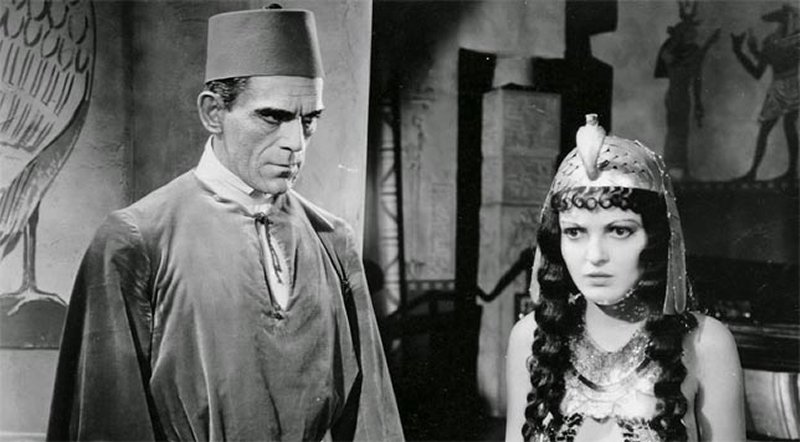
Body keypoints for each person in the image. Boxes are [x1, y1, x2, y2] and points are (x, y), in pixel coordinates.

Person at [46, 8, 403, 442]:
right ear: (214, 113)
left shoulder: (332, 241)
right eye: (272, 116)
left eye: (309, 119)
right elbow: (108, 423)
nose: (296, 143)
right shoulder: (137, 241)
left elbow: (372, 422)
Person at [505, 115, 744, 442]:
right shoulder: (530, 337)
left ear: (656, 238)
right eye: (574, 232)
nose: (595, 256)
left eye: (619, 231)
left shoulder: (706, 343)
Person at [730, 4, 799, 181]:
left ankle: (790, 172)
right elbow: (758, 72)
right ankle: (754, 172)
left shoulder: (792, 39)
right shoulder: (772, 41)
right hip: (779, 87)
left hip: (793, 85)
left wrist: (747, 52)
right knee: (769, 129)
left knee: (788, 125)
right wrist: (740, 52)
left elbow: (760, 68)